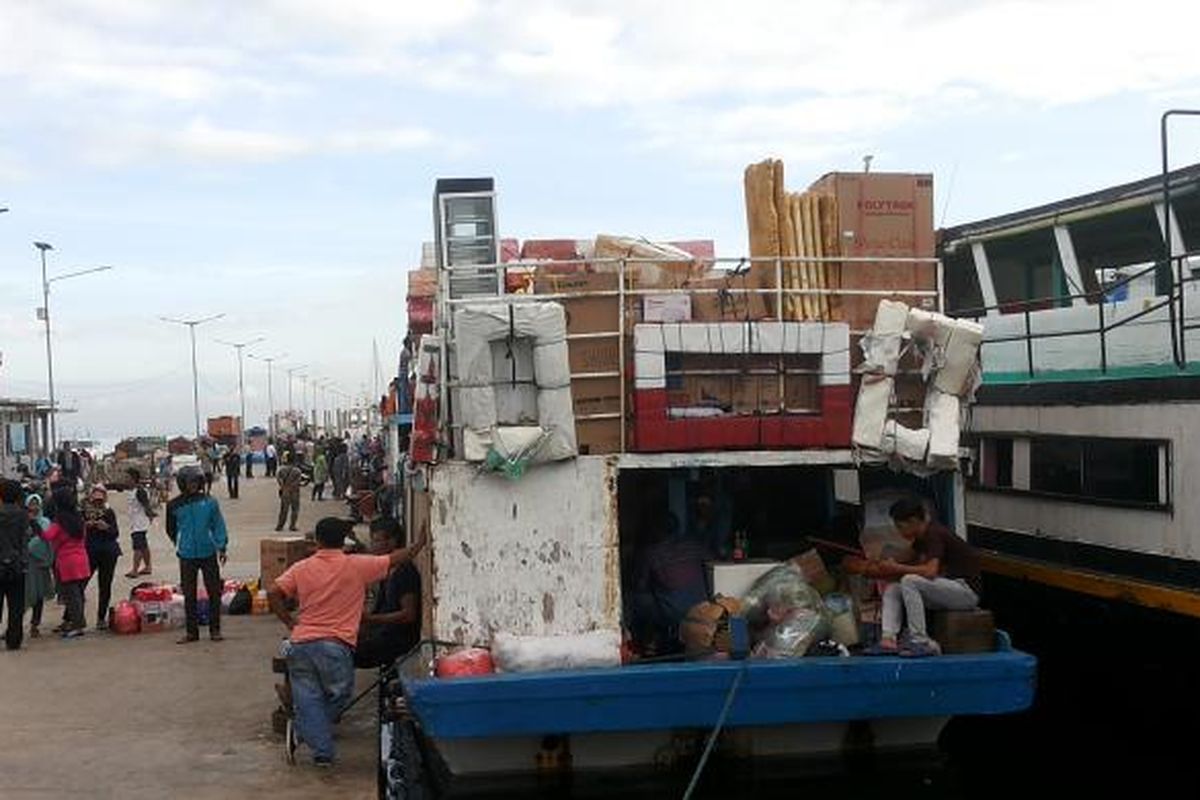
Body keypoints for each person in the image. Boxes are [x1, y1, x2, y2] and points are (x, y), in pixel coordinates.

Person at [268, 517, 426, 767]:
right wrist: (419, 544)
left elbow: (273, 593)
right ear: (343, 541)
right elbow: (396, 558)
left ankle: (316, 746)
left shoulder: (301, 568)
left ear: (317, 541)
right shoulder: (356, 565)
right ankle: (305, 733)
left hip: (301, 644)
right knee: (340, 696)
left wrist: (289, 622)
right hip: (335, 645)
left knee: (310, 699)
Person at [869, 497, 983, 657]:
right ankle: (888, 639)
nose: (899, 532)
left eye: (900, 527)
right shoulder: (920, 539)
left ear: (914, 521)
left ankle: (921, 641)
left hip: (965, 592)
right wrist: (882, 564)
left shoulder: (934, 534)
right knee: (894, 588)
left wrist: (896, 567)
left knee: (909, 580)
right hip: (947, 590)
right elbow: (906, 560)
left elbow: (930, 571)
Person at [166, 466, 228, 643]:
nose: (193, 485)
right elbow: (170, 529)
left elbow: (218, 525)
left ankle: (215, 630)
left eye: (196, 482)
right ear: (182, 484)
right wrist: (180, 542)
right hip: (186, 555)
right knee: (189, 595)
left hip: (208, 552)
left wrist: (222, 546)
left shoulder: (210, 502)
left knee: (214, 592)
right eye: (189, 482)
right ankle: (192, 633)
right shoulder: (174, 505)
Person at [355, 517, 422, 668]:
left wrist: (371, 620)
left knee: (341, 653)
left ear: (392, 542)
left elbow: (408, 615)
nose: (373, 546)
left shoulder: (404, 571)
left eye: (376, 541)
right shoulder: (387, 569)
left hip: (398, 639)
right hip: (383, 632)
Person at [41, 487, 90, 638]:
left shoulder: (59, 521)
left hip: (66, 562)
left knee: (71, 596)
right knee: (79, 594)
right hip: (82, 559)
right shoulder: (78, 518)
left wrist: (35, 526)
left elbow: (47, 536)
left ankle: (78, 625)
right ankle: (77, 622)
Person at [82, 484, 121, 630]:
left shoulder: (109, 512)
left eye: (100, 499)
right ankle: (72, 617)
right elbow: (76, 531)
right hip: (89, 552)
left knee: (105, 586)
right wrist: (86, 525)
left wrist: (106, 527)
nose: (98, 502)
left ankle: (101, 618)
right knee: (81, 584)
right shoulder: (83, 512)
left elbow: (115, 533)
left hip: (108, 552)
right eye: (95, 498)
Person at [0, 480, 29, 650]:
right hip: (17, 565)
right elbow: (24, 541)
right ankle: (14, 639)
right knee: (16, 605)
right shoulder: (22, 515)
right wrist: (24, 563)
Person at [25, 494, 54, 639]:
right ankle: (15, 624)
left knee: (38, 595)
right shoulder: (21, 521)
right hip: (25, 564)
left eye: (37, 504)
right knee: (22, 596)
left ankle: (34, 624)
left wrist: (28, 547)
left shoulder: (45, 522)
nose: (34, 507)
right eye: (31, 504)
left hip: (39, 563)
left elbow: (44, 540)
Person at [124, 469, 156, 578]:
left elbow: (146, 505)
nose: (126, 480)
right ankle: (148, 566)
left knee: (137, 547)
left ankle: (135, 570)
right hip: (136, 523)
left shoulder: (140, 491)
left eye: (127, 478)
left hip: (139, 524)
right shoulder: (132, 491)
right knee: (143, 546)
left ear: (133, 479)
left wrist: (150, 515)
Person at [275, 453, 303, 532]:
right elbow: (298, 481)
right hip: (294, 491)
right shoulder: (297, 470)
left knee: (284, 509)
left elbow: (278, 478)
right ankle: (292, 525)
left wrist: (283, 486)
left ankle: (280, 525)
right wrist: (292, 486)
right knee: (295, 509)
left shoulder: (281, 469)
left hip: (285, 491)